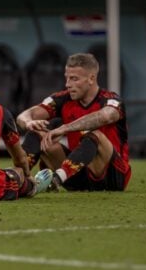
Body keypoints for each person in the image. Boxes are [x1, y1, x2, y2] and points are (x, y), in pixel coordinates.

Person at [16, 53, 131, 192]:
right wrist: (28, 122)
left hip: (113, 177)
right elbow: (24, 115)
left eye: (74, 79)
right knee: (38, 132)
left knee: (94, 134)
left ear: (91, 78)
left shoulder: (112, 100)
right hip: (77, 174)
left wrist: (65, 128)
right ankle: (19, 180)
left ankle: (56, 179)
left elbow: (104, 117)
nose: (68, 84)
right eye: (67, 78)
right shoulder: (64, 99)